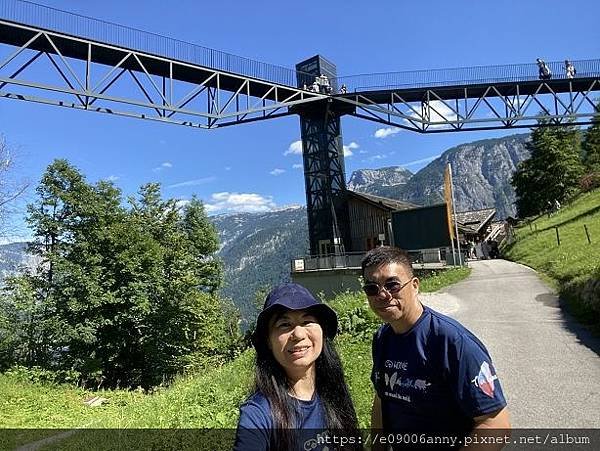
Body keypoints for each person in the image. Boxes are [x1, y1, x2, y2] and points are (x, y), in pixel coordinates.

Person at [362, 247, 510, 447]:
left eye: (392, 285)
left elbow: (496, 423)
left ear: (414, 286)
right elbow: (381, 398)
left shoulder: (453, 342)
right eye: (372, 288)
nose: (382, 294)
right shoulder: (382, 338)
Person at [233, 283, 359, 451]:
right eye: (284, 324)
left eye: (307, 321)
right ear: (268, 342)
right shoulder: (259, 413)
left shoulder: (334, 395)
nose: (298, 335)